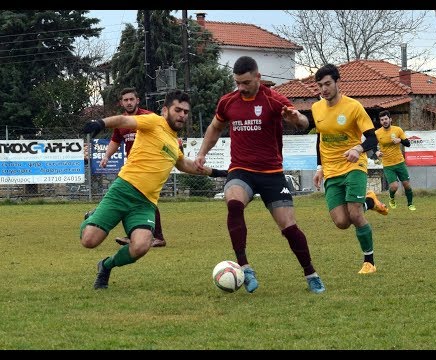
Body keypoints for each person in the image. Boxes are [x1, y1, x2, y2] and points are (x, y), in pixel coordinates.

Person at [194, 55, 325, 294]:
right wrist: (202, 152)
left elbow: (304, 123)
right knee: (233, 203)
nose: (241, 88)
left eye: (245, 83)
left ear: (258, 77)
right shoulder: (228, 102)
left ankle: (311, 273)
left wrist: (295, 118)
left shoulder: (274, 100)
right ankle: (245, 267)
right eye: (237, 83)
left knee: (289, 227)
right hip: (241, 170)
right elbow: (215, 127)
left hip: (272, 173)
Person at [81, 90, 226, 290]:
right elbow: (124, 120)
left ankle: (105, 266)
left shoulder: (174, 143)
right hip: (123, 190)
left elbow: (185, 165)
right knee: (89, 241)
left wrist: (220, 173)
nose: (182, 115)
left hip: (145, 203)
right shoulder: (153, 121)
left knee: (141, 246)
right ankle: (93, 216)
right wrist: (101, 123)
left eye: (185, 112)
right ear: (165, 109)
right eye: (178, 110)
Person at [311, 63, 388, 275]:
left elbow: (372, 137)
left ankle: (369, 262)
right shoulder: (316, 108)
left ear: (337, 82)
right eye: (320, 86)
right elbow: (321, 139)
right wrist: (320, 168)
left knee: (355, 214)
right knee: (341, 222)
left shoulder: (353, 107)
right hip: (331, 170)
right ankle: (370, 201)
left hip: (355, 165)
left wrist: (358, 148)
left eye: (327, 84)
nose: (324, 89)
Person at [96, 87, 167, 247]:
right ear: (121, 103)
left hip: (150, 166)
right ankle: (143, 235)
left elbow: (164, 130)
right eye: (125, 100)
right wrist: (106, 156)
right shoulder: (121, 122)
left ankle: (155, 237)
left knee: (143, 199)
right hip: (133, 167)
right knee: (137, 200)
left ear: (137, 100)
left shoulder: (148, 117)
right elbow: (115, 141)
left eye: (131, 99)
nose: (129, 102)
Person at [374, 110, 416, 211]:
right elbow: (373, 146)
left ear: (390, 119)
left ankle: (410, 204)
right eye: (382, 120)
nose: (384, 121)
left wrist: (400, 140)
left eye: (386, 119)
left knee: (406, 184)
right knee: (394, 187)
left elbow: (408, 143)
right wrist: (376, 152)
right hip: (388, 165)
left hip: (400, 162)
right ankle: (391, 198)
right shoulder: (377, 133)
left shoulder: (397, 130)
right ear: (380, 122)